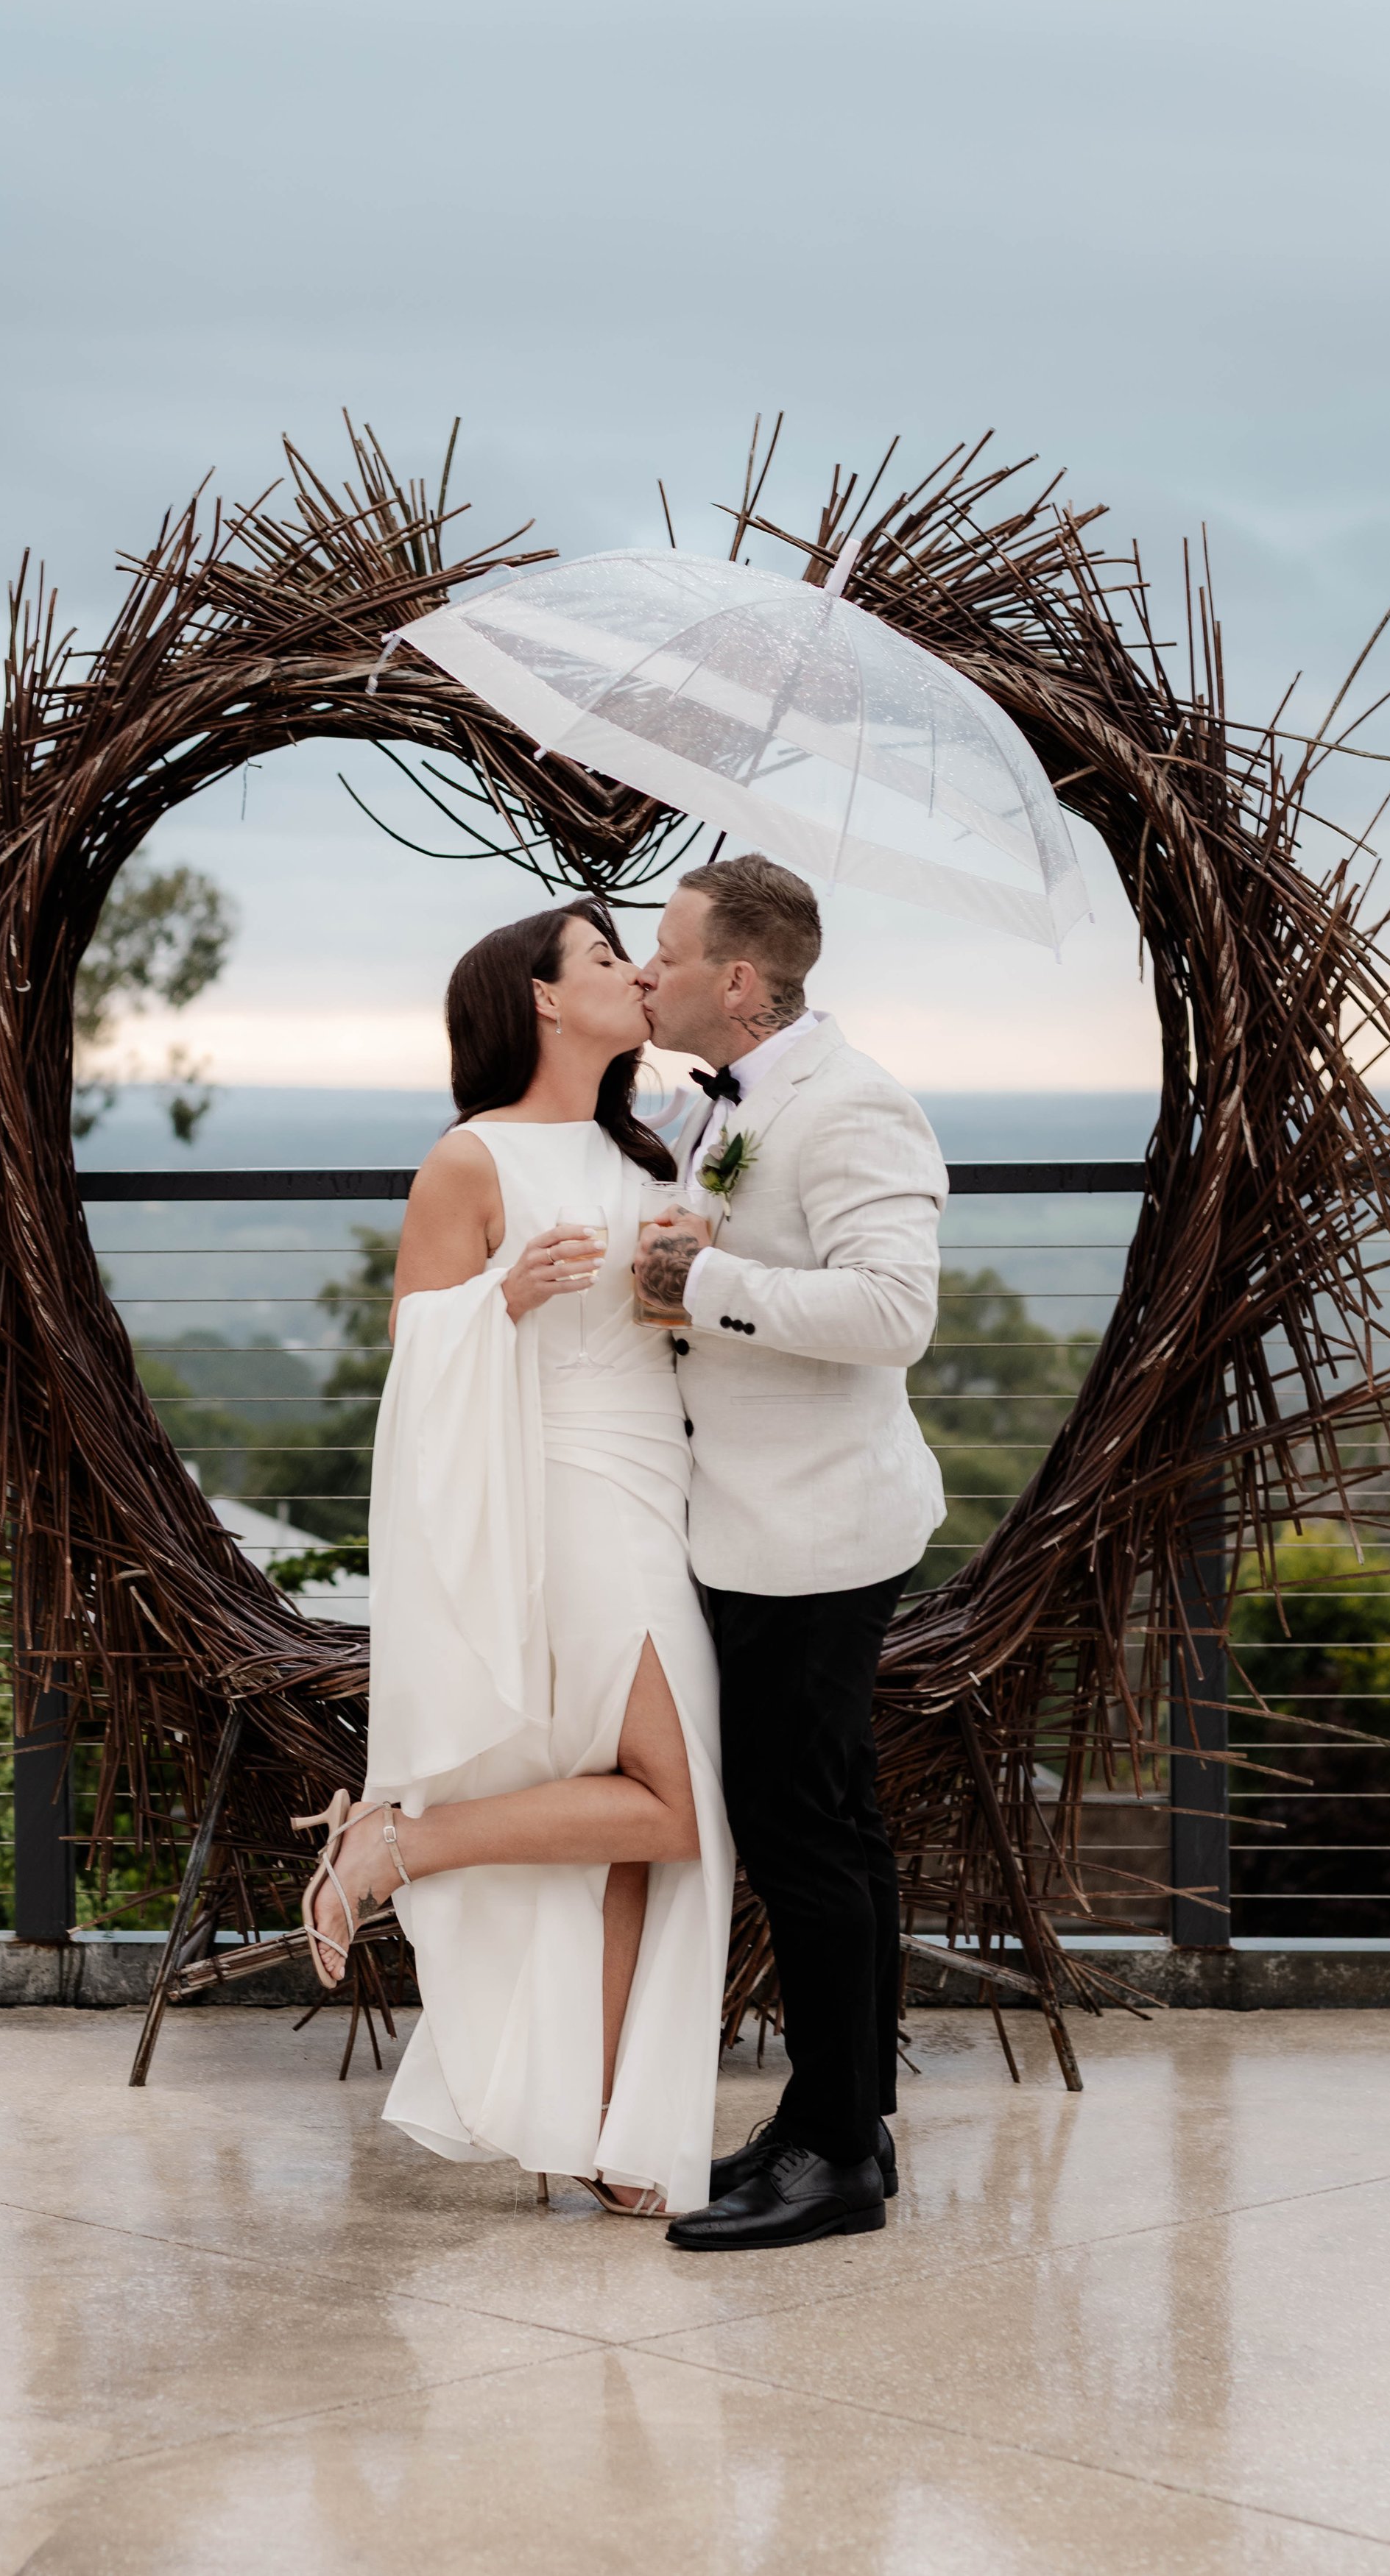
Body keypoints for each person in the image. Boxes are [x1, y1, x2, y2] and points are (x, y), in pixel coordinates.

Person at [299, 897, 734, 2218]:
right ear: (543, 998)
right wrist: (508, 1297)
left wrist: (698, 1271)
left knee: (631, 1835)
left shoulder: (660, 1157)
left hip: (661, 1485)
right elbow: (413, 1364)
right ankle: (401, 1848)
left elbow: (681, 1335)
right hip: (558, 1499)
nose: (636, 975)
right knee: (677, 1808)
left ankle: (600, 2129)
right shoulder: (471, 1162)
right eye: (609, 958)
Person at [633, 854, 948, 2253]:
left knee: (801, 1832)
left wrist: (703, 1284)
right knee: (838, 1825)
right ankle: (842, 2114)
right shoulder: (729, 1105)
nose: (649, 972)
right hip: (759, 1518)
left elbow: (892, 1313)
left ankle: (835, 2161)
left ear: (740, 983)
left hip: (816, 1530)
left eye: (667, 952)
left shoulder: (857, 1104)